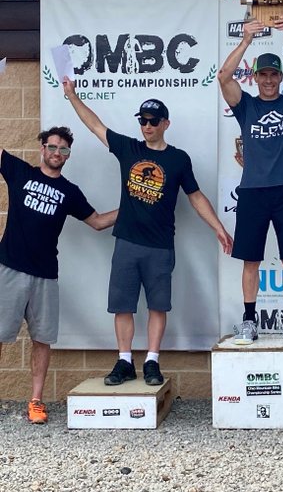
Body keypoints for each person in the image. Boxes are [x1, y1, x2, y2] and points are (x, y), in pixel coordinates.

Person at [62, 84, 233, 386]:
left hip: (160, 245)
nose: (148, 126)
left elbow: (195, 196)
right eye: (143, 120)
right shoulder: (129, 148)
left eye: (154, 121)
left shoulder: (179, 159)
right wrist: (72, 95)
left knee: (158, 305)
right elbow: (94, 125)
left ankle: (152, 360)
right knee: (122, 305)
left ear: (166, 124)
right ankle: (125, 361)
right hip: (127, 241)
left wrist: (218, 227)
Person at [0, 127, 118, 424]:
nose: (57, 153)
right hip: (9, 269)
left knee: (42, 340)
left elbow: (98, 222)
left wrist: (131, 206)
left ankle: (36, 401)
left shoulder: (69, 192)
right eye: (52, 147)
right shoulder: (19, 172)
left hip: (45, 277)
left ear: (68, 155)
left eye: (63, 150)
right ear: (42, 147)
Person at [217, 13, 283, 345]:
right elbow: (223, 76)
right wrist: (246, 39)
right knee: (251, 260)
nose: (269, 80)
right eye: (263, 74)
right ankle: (248, 321)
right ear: (256, 77)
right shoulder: (245, 105)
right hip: (252, 192)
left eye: (274, 74)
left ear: (280, 76)